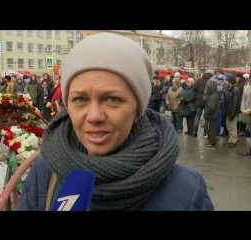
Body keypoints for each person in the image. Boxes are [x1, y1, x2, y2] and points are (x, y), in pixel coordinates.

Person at [17, 32, 213, 211]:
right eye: (80, 99)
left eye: (112, 99)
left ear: (137, 108)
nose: (94, 116)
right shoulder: (46, 172)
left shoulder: (186, 192)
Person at [192, 71, 213, 137]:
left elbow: (194, 88)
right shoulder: (211, 81)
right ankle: (205, 132)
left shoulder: (199, 80)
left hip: (199, 100)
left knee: (197, 116)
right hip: (207, 100)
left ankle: (194, 131)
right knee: (206, 117)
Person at [223, 74, 241, 148]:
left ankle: (233, 141)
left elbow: (235, 103)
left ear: (230, 81)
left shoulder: (235, 90)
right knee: (229, 127)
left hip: (231, 112)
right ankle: (230, 139)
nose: (226, 82)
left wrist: (232, 114)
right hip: (228, 111)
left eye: (227, 80)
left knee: (232, 127)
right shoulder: (229, 89)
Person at [203, 81, 219, 149]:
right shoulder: (215, 95)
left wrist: (205, 114)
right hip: (213, 115)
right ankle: (211, 142)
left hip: (211, 116)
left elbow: (211, 108)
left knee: (211, 130)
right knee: (211, 129)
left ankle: (212, 143)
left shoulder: (212, 97)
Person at [241, 76, 251, 155]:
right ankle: (250, 149)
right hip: (247, 110)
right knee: (248, 132)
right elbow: (244, 97)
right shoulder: (246, 86)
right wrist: (243, 108)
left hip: (249, 110)